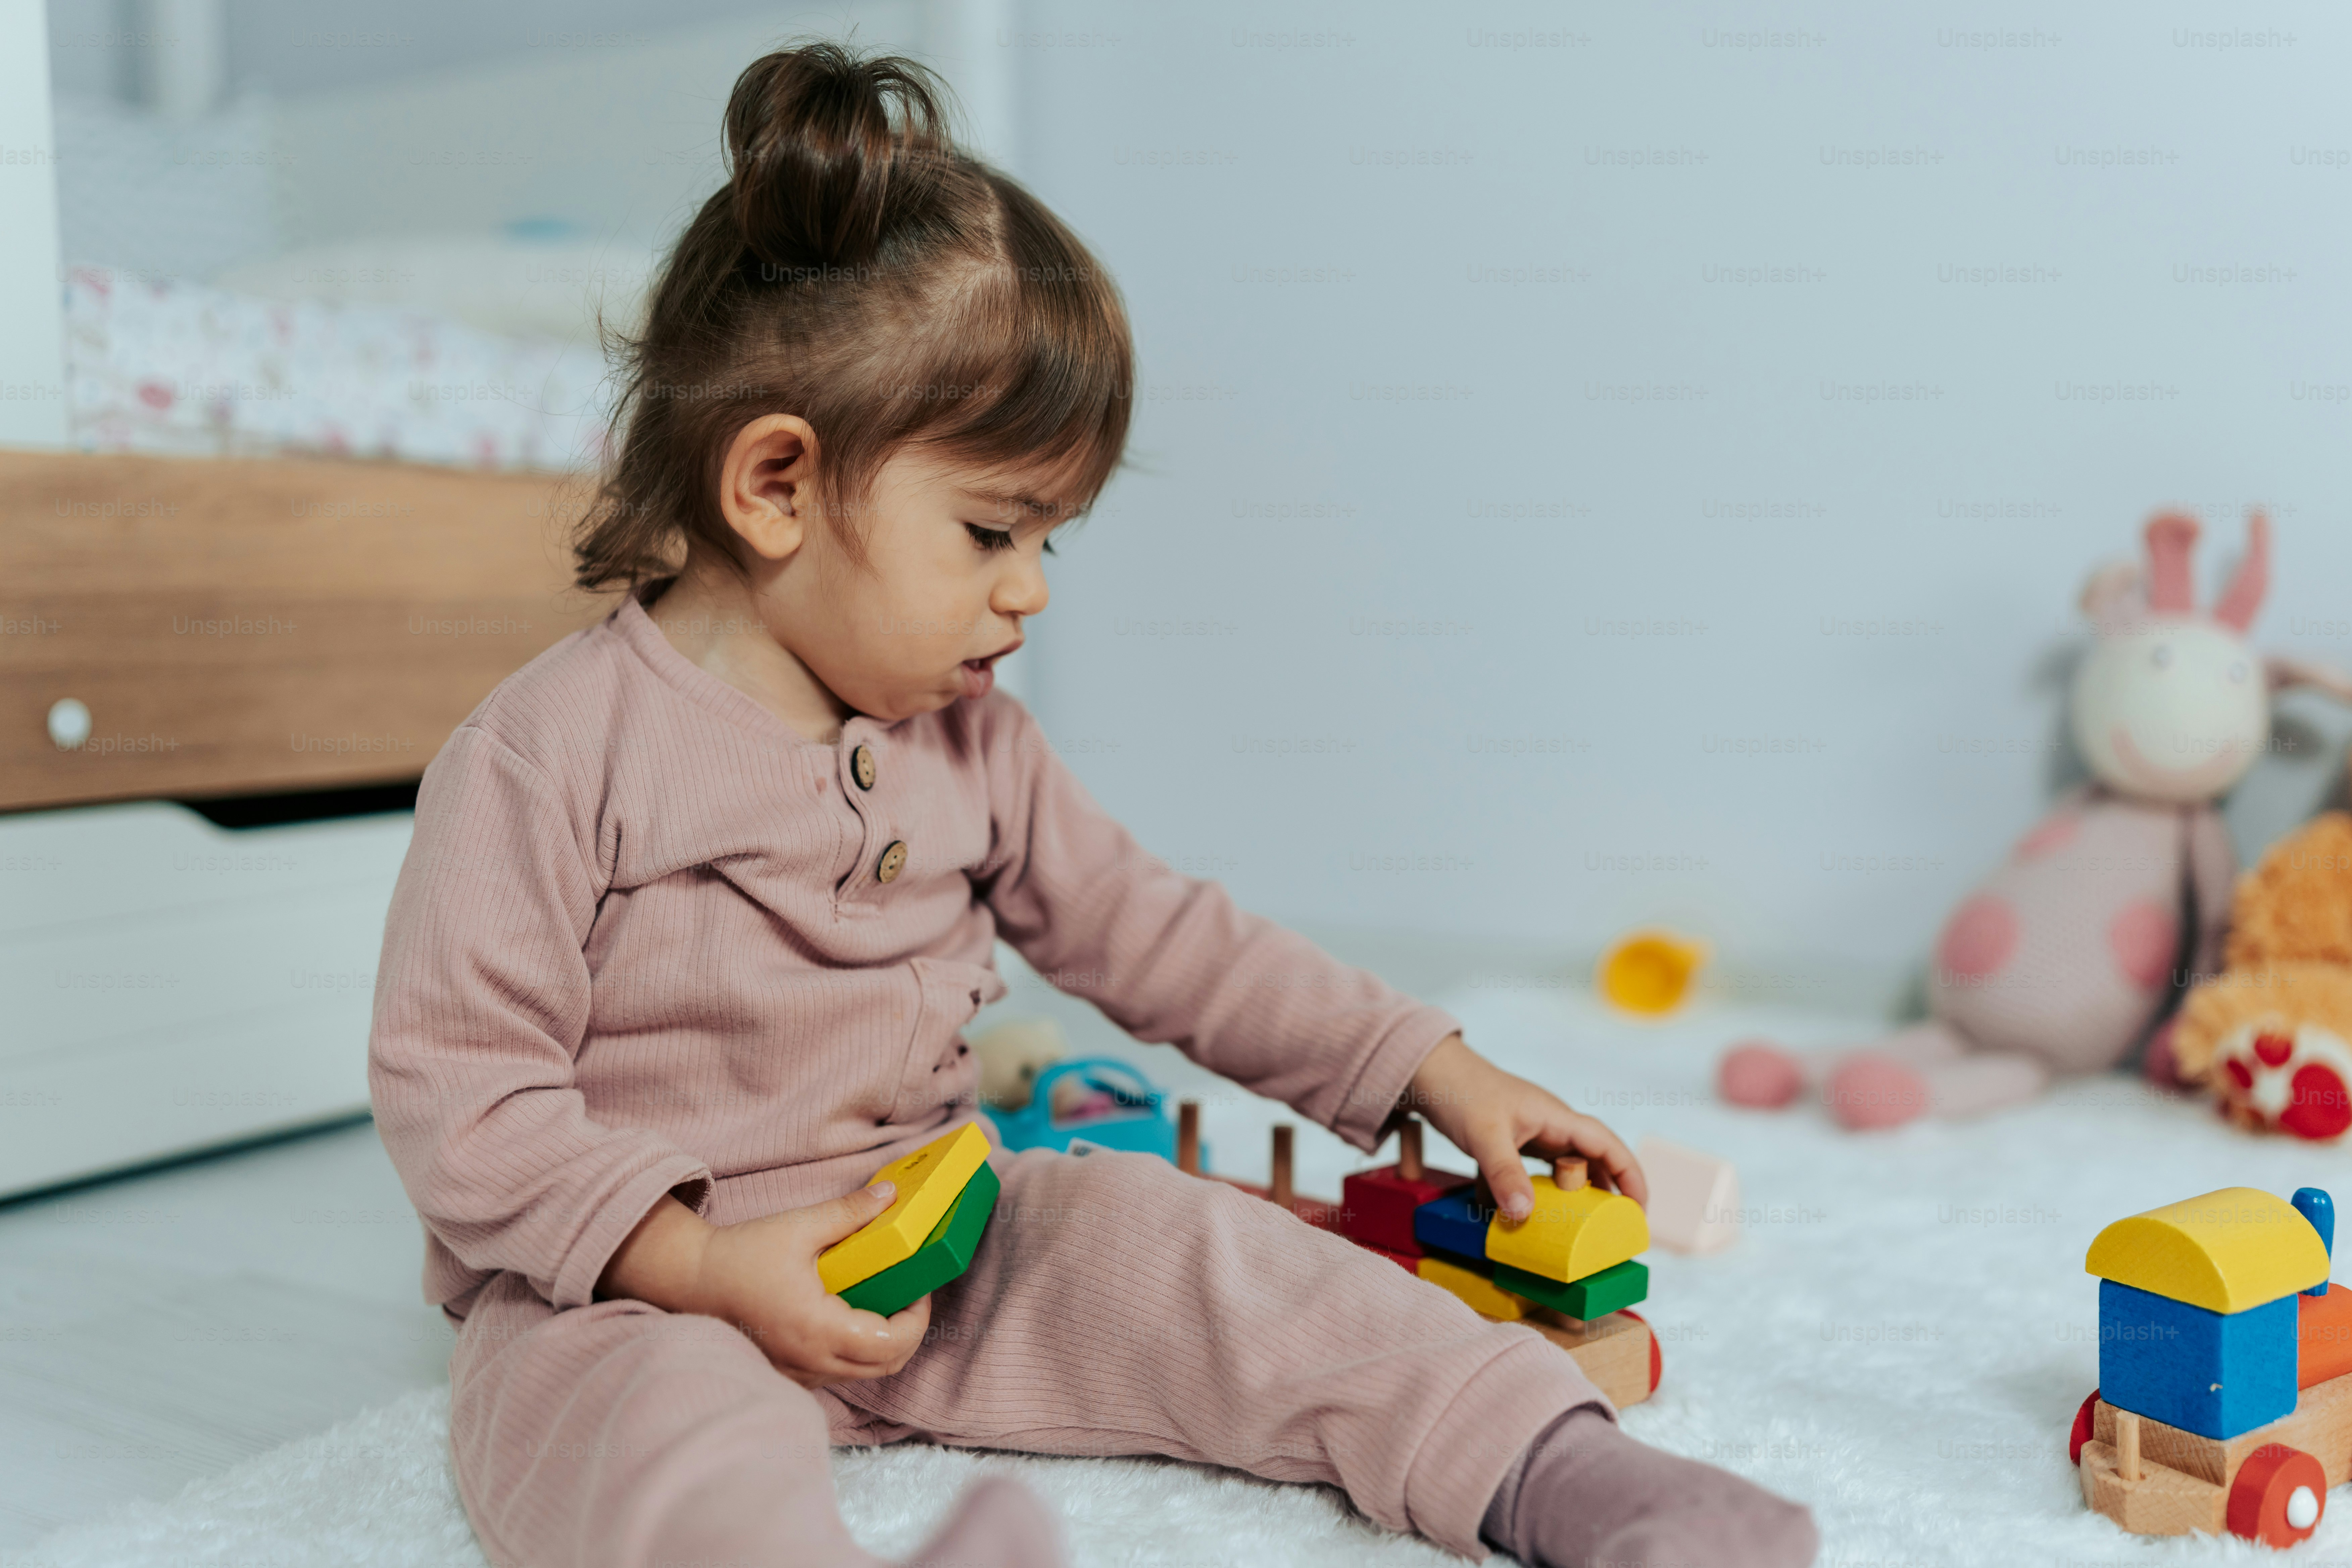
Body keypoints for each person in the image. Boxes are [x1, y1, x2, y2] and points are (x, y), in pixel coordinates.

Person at [367, 43, 1817, 1568]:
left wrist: (1428, 1070)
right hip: (637, 1287)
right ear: (777, 486)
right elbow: (462, 1092)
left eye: (1049, 540)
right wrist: (700, 1265)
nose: (1031, 592)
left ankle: (1572, 1483)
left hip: (935, 1233)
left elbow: (1162, 936)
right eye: (992, 531)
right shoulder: (548, 756)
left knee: (1210, 1257)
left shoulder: (975, 743)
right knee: (650, 1435)